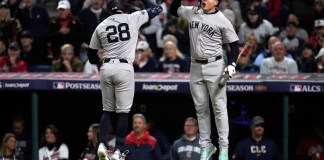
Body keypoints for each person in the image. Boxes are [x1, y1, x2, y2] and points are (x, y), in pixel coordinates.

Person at [87, 0, 162, 159]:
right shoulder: (132, 17)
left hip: (106, 68)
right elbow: (157, 9)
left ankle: (101, 145)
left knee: (107, 110)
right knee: (123, 112)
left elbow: (91, 55)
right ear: (123, 9)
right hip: (124, 68)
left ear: (109, 11)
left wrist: (99, 60)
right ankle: (119, 151)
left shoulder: (101, 25)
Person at [170, 0, 240, 159]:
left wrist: (232, 64)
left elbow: (234, 45)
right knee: (201, 108)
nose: (204, 0)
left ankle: (223, 148)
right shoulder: (193, 11)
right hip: (195, 66)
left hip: (215, 65)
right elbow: (174, 10)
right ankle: (206, 145)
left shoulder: (222, 19)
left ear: (216, 2)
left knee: (219, 107)